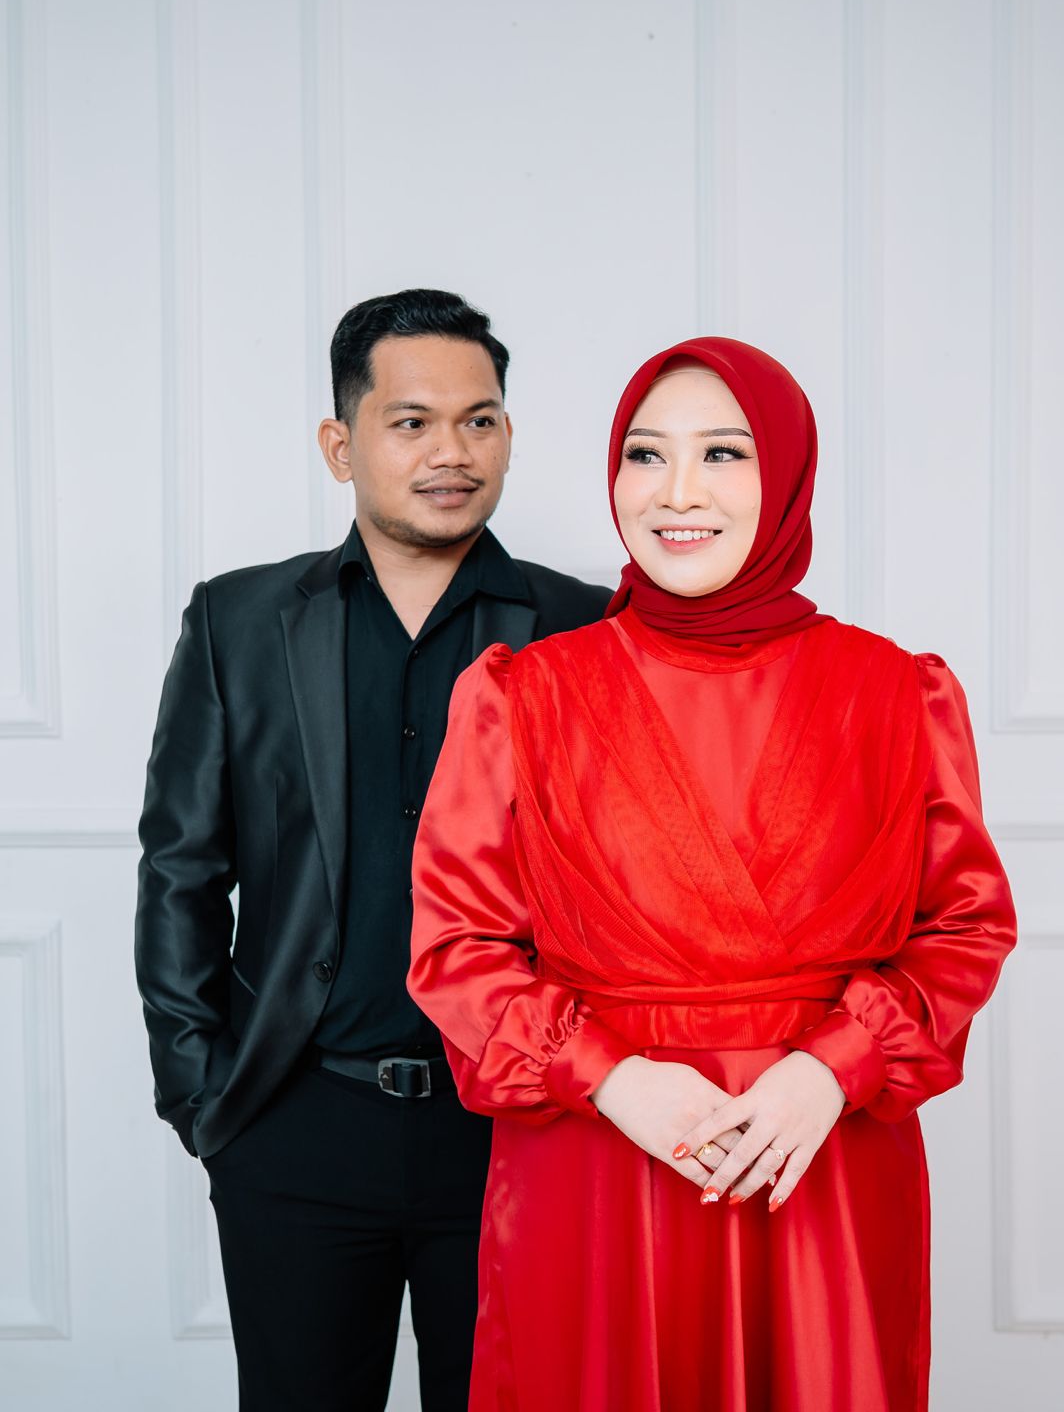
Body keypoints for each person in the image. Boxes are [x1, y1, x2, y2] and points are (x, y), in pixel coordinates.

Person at [408, 335, 1016, 1412]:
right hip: (596, 1162)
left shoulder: (897, 692)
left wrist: (830, 1068)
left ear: (787, 479)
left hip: (818, 1159)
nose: (675, 491)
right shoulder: (521, 696)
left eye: (722, 453)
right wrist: (610, 1077)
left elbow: (964, 927)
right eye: (644, 455)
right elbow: (456, 947)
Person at [135, 288, 610, 1412]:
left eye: (479, 420)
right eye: (411, 422)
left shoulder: (586, 627)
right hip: (296, 1122)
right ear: (341, 445)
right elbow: (181, 871)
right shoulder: (240, 622)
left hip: (518, 1134)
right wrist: (203, 1098)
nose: (452, 452)